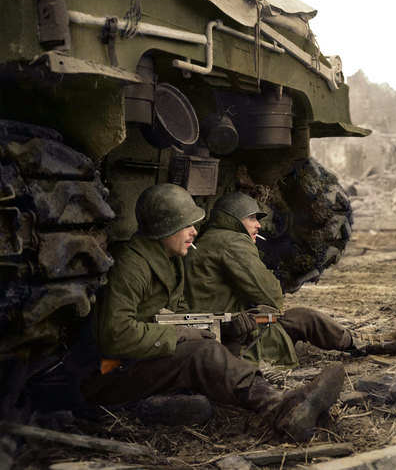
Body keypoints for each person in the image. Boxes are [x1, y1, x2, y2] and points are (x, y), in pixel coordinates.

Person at [81, 183, 344, 442]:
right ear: (165, 227)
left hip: (141, 362)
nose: (194, 231)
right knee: (202, 353)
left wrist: (224, 327)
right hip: (111, 373)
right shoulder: (132, 265)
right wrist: (179, 334)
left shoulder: (169, 260)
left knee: (208, 347)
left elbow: (175, 314)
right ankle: (280, 409)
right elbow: (115, 335)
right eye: (187, 225)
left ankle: (288, 407)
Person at [184, 191, 396, 367]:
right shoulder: (233, 241)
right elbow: (270, 295)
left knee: (303, 318)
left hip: (223, 331)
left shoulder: (212, 239)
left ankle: (360, 342)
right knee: (305, 319)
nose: (258, 225)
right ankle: (363, 343)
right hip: (234, 341)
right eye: (252, 218)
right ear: (234, 220)